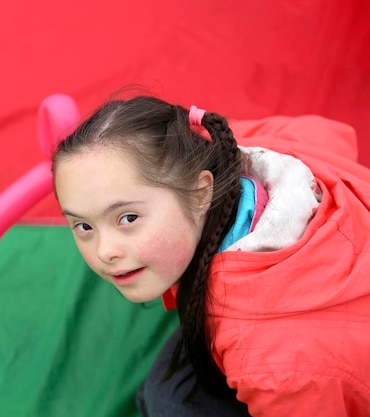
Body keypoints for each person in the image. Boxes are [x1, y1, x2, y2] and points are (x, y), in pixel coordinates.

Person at [50, 93, 370, 416]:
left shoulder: (270, 361)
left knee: (165, 403)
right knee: (164, 391)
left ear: (203, 191)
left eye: (128, 218)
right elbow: (331, 135)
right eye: (83, 225)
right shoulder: (236, 146)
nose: (105, 251)